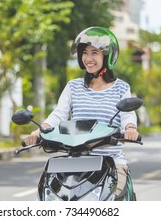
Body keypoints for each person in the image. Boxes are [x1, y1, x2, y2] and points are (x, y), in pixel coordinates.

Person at [24, 26, 139, 198]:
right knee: (48, 196)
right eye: (85, 52)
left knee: (115, 198)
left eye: (95, 53)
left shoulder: (121, 88)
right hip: (75, 163)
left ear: (107, 57)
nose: (88, 58)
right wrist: (38, 131)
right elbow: (58, 115)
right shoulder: (73, 87)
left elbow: (128, 114)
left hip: (111, 162)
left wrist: (130, 128)